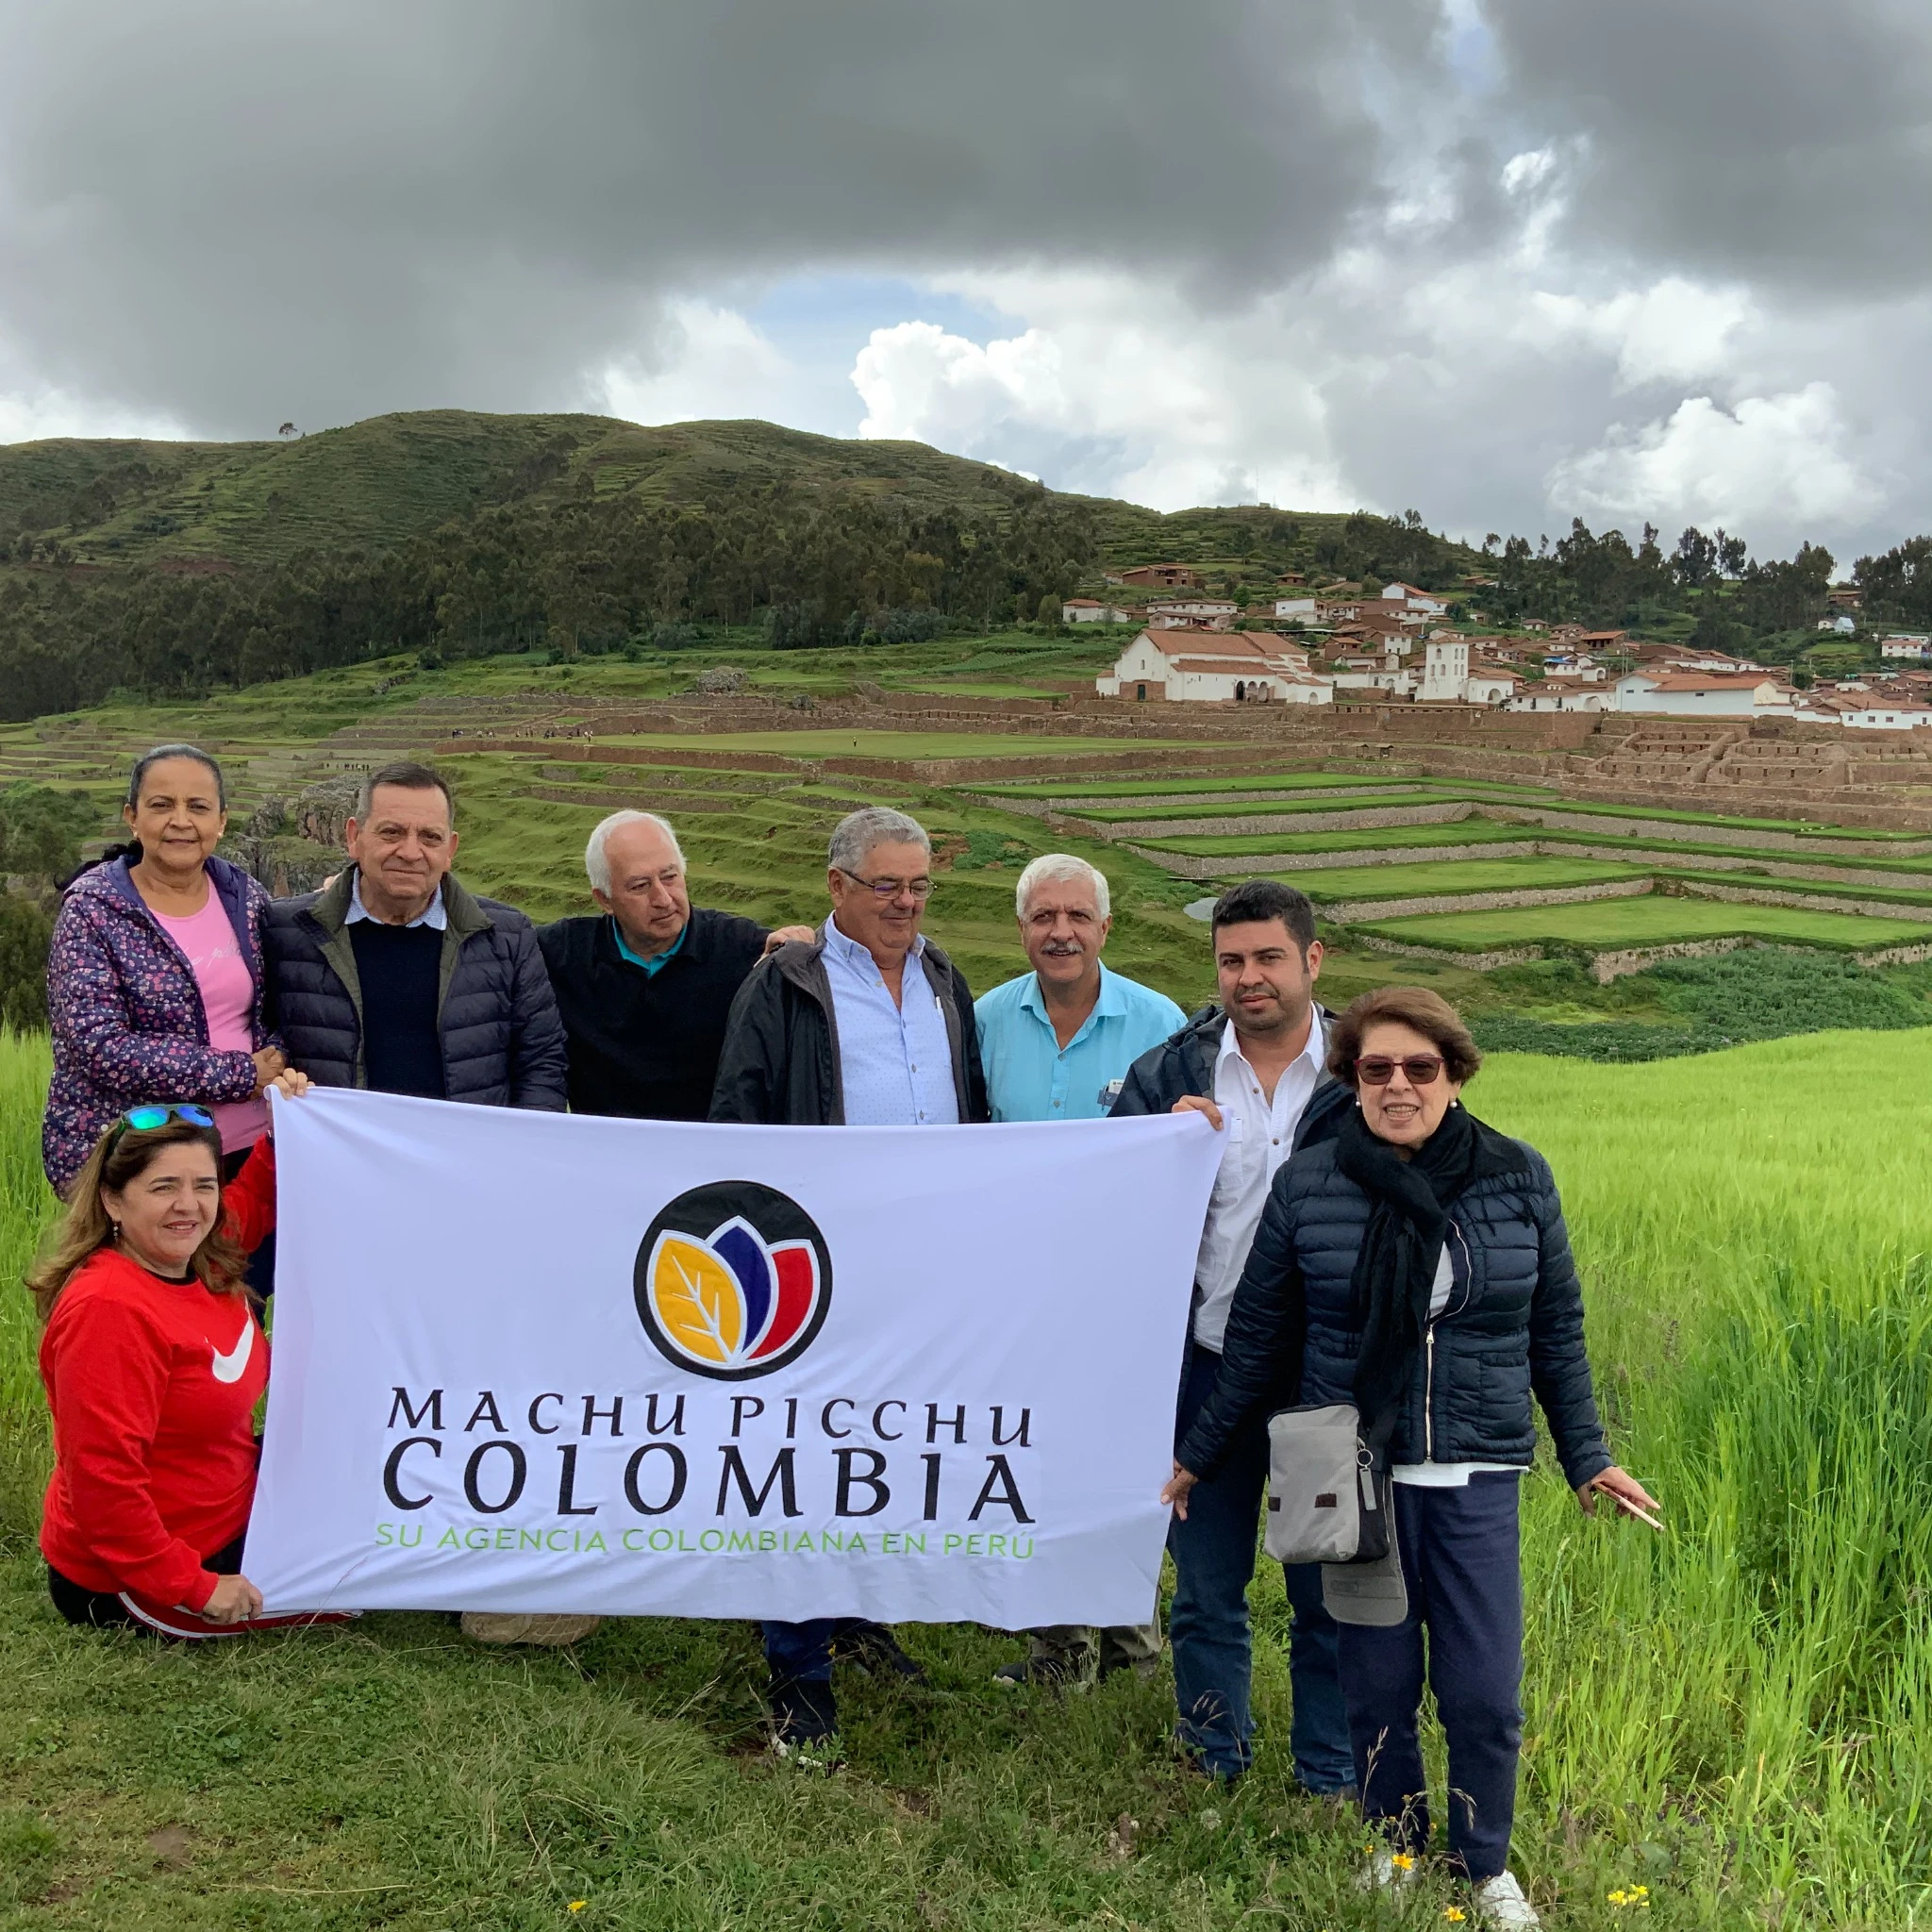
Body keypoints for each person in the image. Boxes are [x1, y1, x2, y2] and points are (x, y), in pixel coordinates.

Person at [1163, 987, 1658, 1929]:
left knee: (1482, 1690)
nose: (1398, 1085)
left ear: (1454, 1075)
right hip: (1355, 1478)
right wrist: (1198, 1454)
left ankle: (1483, 1862)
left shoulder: (1516, 1176)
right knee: (1377, 1683)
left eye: (1419, 1067)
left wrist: (1586, 1454)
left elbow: (1554, 1331)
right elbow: (1258, 1336)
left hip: (1474, 1475)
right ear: (1351, 1080)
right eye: (1375, 1068)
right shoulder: (1309, 1183)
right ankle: (1392, 1843)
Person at [263, 758, 574, 1647]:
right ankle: (344, 1555)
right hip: (339, 1209)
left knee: (465, 1379)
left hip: (466, 1212)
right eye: (391, 831)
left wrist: (509, 1165)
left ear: (453, 846)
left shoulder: (504, 935)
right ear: (353, 836)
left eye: (429, 835)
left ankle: (468, 1563)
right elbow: (256, 1031)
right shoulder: (288, 932)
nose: (410, 850)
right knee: (342, 1375)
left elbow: (542, 1059)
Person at [711, 806, 989, 1757]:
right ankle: (797, 1664)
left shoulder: (945, 978)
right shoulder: (784, 984)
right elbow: (738, 1118)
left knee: (884, 1447)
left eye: (918, 885)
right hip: (817, 1264)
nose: (905, 903)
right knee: (801, 1453)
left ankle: (859, 1613)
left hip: (925, 1263)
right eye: (886, 885)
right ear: (837, 886)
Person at [1109, 878, 1356, 1796]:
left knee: (1325, 1591)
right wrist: (1152, 1149)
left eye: (1268, 958)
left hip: (1323, 1382)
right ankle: (1214, 1757)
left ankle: (1331, 1771)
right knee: (1205, 1588)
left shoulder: (1365, 1071)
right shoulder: (1169, 1072)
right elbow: (1106, 1203)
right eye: (1230, 961)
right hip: (1205, 1371)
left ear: (1312, 960)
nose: (1249, 977)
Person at [974, 852, 1185, 1690]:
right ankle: (1059, 1652)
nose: (1060, 932)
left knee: (1127, 1465)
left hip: (1126, 1289)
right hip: (1015, 1286)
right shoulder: (985, 1019)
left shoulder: (1159, 1021)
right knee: (1037, 1460)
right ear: (1021, 928)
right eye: (1043, 917)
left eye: (1076, 917)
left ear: (1105, 927)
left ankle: (1133, 1645)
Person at [29, 1074, 319, 1638]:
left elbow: (256, 1198)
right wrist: (197, 1587)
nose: (188, 1206)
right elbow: (104, 1486)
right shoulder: (108, 1309)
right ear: (113, 1199)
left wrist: (288, 1123)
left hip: (230, 1506)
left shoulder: (199, 1254)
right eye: (163, 1187)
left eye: (204, 1185)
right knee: (358, 1579)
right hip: (138, 1574)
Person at [42, 744, 286, 1199]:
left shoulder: (244, 896)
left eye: (198, 807)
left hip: (250, 1151)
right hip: (141, 1160)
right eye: (161, 805)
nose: (181, 821)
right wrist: (238, 1075)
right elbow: (99, 1045)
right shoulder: (94, 910)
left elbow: (280, 1004)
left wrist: (277, 1059)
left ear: (221, 821)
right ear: (132, 818)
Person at [537, 809, 813, 1120]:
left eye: (670, 877)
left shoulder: (745, 950)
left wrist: (795, 950)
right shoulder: (560, 954)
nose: (664, 899)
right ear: (604, 900)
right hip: (604, 1144)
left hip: (712, 1143)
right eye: (640, 886)